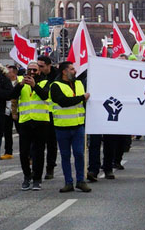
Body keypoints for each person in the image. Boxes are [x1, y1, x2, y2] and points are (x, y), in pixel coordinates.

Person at [50, 61, 91, 193]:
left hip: (78, 126)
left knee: (79, 154)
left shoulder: (79, 83)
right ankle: (68, 182)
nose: (75, 71)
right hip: (62, 127)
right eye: (72, 69)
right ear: (64, 71)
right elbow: (63, 102)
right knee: (65, 155)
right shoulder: (55, 86)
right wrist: (81, 98)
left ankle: (80, 181)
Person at [14, 62, 51, 191]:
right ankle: (26, 176)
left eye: (35, 70)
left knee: (38, 152)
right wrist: (20, 85)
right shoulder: (21, 82)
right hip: (25, 121)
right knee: (24, 152)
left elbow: (45, 95)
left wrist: (34, 86)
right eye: (30, 70)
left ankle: (37, 178)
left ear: (39, 71)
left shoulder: (45, 82)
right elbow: (12, 95)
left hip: (41, 122)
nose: (32, 72)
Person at [37, 55, 58, 179]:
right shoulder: (36, 76)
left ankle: (50, 167)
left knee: (51, 143)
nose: (39, 69)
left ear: (49, 65)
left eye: (42, 66)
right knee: (38, 143)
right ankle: (36, 167)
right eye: (38, 66)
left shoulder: (57, 76)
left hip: (51, 113)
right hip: (38, 113)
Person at [1, 65, 19, 160]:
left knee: (22, 132)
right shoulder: (5, 82)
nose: (7, 73)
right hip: (7, 111)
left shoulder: (19, 82)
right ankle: (8, 151)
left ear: (14, 73)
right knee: (7, 132)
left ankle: (28, 153)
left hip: (18, 111)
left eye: (9, 72)